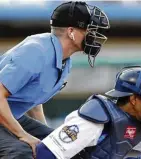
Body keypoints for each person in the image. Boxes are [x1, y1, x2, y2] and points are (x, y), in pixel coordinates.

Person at [0, 1, 110, 158]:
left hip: (10, 115)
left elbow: (34, 101)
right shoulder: (36, 51)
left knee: (64, 146)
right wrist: (23, 135)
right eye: (89, 30)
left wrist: (49, 140)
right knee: (21, 152)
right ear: (71, 31)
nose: (94, 36)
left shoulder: (65, 59)